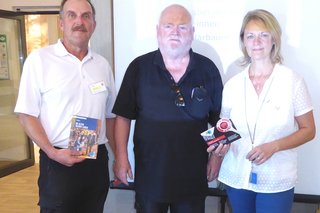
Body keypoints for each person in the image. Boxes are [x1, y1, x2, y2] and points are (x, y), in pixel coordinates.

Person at [112, 4, 227, 213]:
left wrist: (216, 157)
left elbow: (221, 120)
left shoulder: (207, 68)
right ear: (158, 31)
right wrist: (121, 157)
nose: (175, 32)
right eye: (168, 26)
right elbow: (123, 116)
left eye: (182, 27)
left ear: (192, 33)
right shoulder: (139, 67)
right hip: (150, 178)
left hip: (192, 178)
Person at [14, 0, 116, 212]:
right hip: (58, 159)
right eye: (72, 15)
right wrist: (51, 152)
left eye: (86, 16)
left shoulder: (102, 65)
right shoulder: (39, 60)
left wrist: (119, 158)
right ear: (61, 23)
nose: (79, 22)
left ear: (94, 25)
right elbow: (26, 114)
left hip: (96, 160)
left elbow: (110, 116)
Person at [217, 9, 316, 213]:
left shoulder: (292, 82)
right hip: (237, 174)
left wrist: (275, 146)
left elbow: (309, 129)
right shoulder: (233, 85)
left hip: (276, 176)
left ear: (274, 40)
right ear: (243, 41)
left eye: (264, 35)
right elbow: (224, 129)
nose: (257, 42)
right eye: (250, 36)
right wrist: (219, 148)